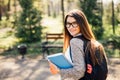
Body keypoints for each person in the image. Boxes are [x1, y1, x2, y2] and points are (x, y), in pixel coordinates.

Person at [49, 9, 107, 80]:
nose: (71, 27)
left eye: (74, 23)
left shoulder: (75, 42)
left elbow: (79, 72)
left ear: (82, 24)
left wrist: (58, 71)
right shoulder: (92, 42)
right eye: (68, 24)